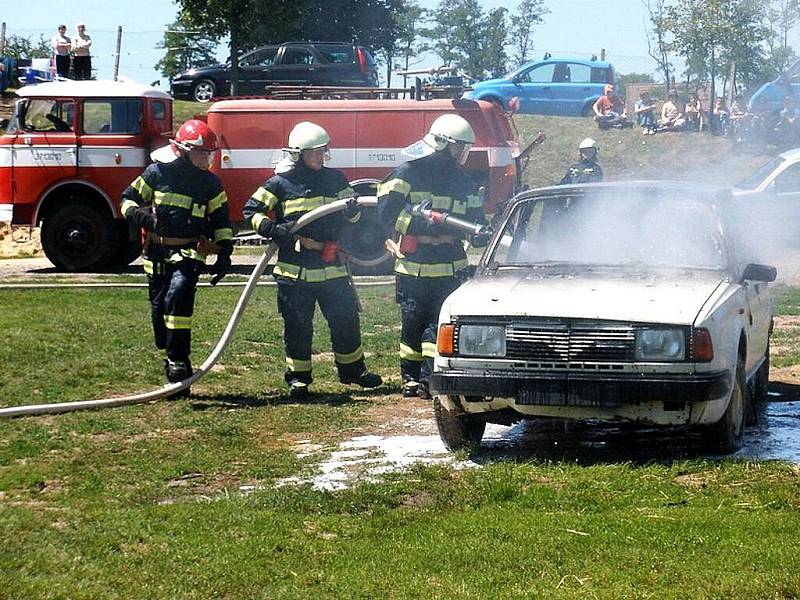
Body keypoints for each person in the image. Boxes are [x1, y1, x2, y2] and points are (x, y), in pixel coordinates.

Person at [243, 121, 382, 399]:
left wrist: (353, 211)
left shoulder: (336, 179)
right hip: (295, 270)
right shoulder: (280, 184)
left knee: (345, 319)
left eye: (323, 152)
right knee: (298, 325)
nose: (320, 158)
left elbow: (353, 216)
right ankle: (298, 378)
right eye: (314, 153)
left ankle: (352, 370)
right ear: (297, 154)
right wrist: (272, 229)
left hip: (331, 266)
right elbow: (251, 210)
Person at [377, 114, 489, 399]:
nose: (460, 155)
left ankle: (430, 376)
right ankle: (410, 378)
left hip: (449, 264)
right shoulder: (407, 173)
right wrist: (419, 224)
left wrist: (477, 233)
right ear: (441, 143)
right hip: (415, 265)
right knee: (413, 321)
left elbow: (475, 216)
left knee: (441, 323)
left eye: (464, 149)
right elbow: (386, 213)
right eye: (457, 148)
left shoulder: (462, 180)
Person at [120, 119, 233, 394]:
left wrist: (224, 252)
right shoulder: (156, 173)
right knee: (160, 311)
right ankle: (169, 351)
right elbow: (126, 201)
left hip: (189, 251)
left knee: (179, 294)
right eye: (202, 153)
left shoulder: (210, 184)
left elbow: (221, 221)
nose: (208, 159)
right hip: (156, 251)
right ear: (182, 151)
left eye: (210, 154)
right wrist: (143, 217)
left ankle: (179, 361)